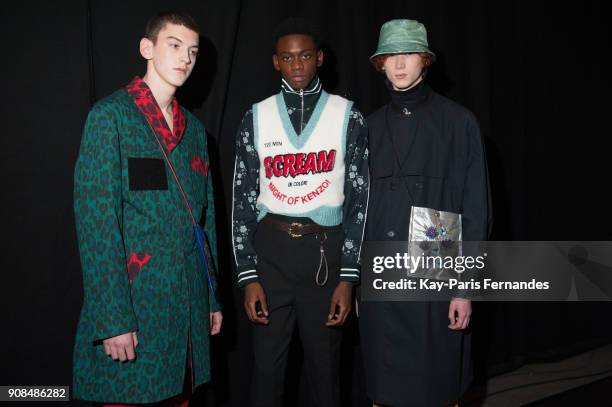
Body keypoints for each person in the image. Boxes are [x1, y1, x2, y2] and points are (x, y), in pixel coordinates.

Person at [72, 11, 222, 406]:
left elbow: (205, 223)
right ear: (147, 48)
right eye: (174, 46)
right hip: (135, 307)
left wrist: (211, 296)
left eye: (192, 51)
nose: (185, 59)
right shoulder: (110, 118)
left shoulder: (195, 132)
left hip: (186, 306)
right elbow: (97, 225)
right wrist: (112, 319)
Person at [231, 17, 369, 407]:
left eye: (305, 56)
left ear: (319, 58)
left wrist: (349, 277)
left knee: (326, 373)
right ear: (276, 62)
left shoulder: (348, 116)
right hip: (271, 256)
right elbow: (241, 200)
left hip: (324, 257)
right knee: (266, 374)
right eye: (288, 58)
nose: (297, 65)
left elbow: (360, 201)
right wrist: (247, 275)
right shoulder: (254, 117)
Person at [359, 19, 492, 407]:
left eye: (409, 55)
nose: (400, 65)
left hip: (435, 272)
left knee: (436, 385)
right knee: (385, 388)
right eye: (391, 57)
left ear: (426, 61)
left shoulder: (459, 122)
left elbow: (476, 209)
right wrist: (355, 280)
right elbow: (359, 211)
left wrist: (464, 288)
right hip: (382, 277)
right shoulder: (366, 128)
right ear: (380, 64)